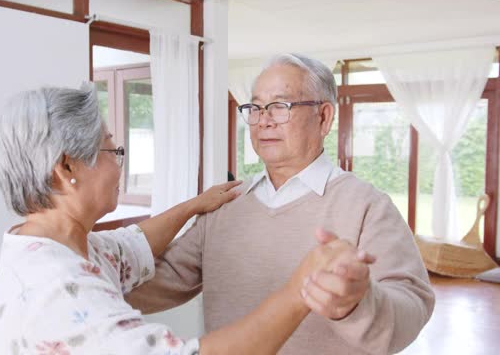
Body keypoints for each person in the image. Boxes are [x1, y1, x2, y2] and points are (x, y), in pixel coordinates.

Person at [0, 85, 373, 354]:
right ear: (65, 167)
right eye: (111, 150)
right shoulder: (56, 288)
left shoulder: (56, 243)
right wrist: (301, 290)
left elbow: (131, 245)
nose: (120, 164)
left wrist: (192, 206)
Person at [126, 54, 435, 355]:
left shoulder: (367, 206)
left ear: (324, 117)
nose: (264, 121)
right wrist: (84, 270)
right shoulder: (226, 203)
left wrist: (359, 302)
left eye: (280, 106)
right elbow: (156, 280)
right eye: (256, 107)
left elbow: (411, 306)